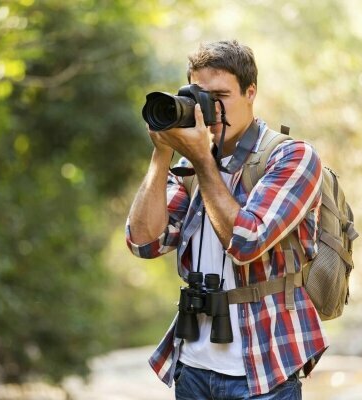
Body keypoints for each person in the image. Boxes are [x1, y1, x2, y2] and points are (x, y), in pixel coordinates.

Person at [125, 39, 327, 399]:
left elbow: (246, 242)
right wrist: (162, 155)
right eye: (200, 98)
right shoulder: (187, 165)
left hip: (264, 368)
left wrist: (204, 160)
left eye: (221, 96)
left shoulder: (292, 157)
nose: (211, 111)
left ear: (251, 92)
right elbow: (143, 242)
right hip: (192, 367)